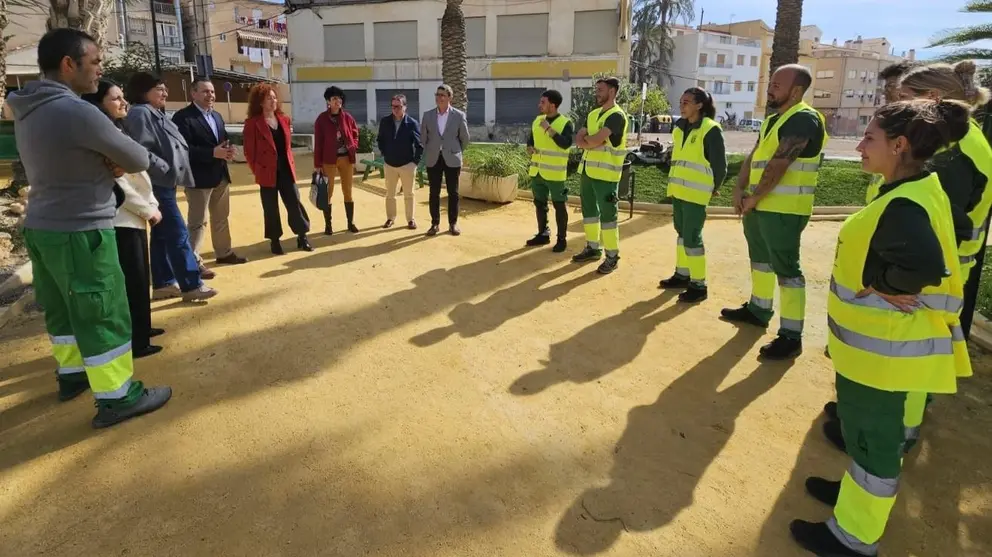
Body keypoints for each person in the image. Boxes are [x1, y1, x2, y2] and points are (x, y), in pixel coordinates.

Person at [789, 99, 974, 557]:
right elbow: (961, 225)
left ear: (899, 145)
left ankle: (852, 538)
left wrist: (882, 282)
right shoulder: (918, 188)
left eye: (868, 138)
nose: (858, 148)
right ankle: (854, 498)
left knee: (874, 446)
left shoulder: (905, 203)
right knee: (868, 440)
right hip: (884, 352)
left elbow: (924, 262)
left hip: (883, 357)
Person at [822, 60, 992, 452]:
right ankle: (878, 428)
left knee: (906, 365)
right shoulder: (953, 145)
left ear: (931, 100)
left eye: (906, 97)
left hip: (920, 286)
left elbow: (936, 230)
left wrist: (885, 282)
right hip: (924, 274)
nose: (898, 100)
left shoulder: (952, 153)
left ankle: (893, 437)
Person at [9, 28, 171, 428]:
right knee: (103, 312)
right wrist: (112, 158)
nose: (100, 70)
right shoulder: (77, 111)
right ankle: (118, 397)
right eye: (95, 61)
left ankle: (72, 375)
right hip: (82, 230)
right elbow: (134, 157)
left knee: (63, 312)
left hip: (42, 228)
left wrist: (104, 157)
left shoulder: (27, 107)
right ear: (69, 64)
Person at [720, 64, 826, 360]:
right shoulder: (772, 121)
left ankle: (791, 335)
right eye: (771, 83)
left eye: (777, 85)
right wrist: (739, 189)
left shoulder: (804, 119)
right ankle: (759, 309)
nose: (770, 89)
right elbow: (754, 157)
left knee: (787, 270)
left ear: (796, 91)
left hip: (784, 210)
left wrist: (754, 197)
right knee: (761, 261)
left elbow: (780, 163)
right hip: (759, 206)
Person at [82, 79, 165, 359]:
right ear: (99, 104)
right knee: (132, 281)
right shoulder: (102, 136)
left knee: (141, 277)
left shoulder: (116, 129)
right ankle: (136, 340)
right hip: (122, 218)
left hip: (134, 216)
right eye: (115, 98)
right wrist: (148, 209)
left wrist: (149, 204)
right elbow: (120, 185)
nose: (122, 102)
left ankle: (143, 328)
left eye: (122, 97)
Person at [124, 72, 217, 302]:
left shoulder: (154, 112)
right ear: (144, 91)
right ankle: (191, 284)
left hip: (164, 182)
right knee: (177, 233)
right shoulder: (140, 113)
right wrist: (163, 166)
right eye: (159, 89)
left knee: (162, 235)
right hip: (156, 182)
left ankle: (164, 282)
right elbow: (140, 149)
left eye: (165, 88)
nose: (165, 92)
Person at [172, 77, 248, 274]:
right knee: (198, 222)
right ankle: (194, 262)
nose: (210, 95)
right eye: (205, 91)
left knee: (221, 217)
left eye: (212, 92)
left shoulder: (217, 117)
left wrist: (228, 150)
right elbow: (182, 149)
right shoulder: (183, 118)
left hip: (220, 175)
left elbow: (221, 142)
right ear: (193, 93)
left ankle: (224, 252)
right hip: (198, 178)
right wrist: (211, 153)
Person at [658, 87, 727, 303]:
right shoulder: (679, 128)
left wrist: (714, 187)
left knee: (692, 237)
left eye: (687, 101)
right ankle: (682, 274)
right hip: (679, 191)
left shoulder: (711, 129)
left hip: (696, 194)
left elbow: (720, 166)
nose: (682, 105)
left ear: (700, 105)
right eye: (681, 101)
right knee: (682, 234)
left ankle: (699, 285)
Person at [243, 83, 312, 254]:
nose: (273, 101)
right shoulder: (253, 124)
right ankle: (275, 241)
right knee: (270, 206)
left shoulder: (284, 119)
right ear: (260, 102)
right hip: (267, 171)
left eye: (274, 97)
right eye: (269, 98)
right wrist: (258, 169)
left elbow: (287, 147)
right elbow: (249, 152)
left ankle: (302, 236)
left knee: (294, 203)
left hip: (286, 169)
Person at [572, 76, 629, 274]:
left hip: (606, 175)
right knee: (589, 212)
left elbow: (593, 139)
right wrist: (588, 141)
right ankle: (592, 248)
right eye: (596, 89)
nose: (597, 93)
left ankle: (612, 256)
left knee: (608, 216)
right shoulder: (594, 114)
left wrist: (588, 140)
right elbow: (580, 139)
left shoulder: (617, 116)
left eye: (601, 90)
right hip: (588, 171)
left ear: (612, 91)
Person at [525, 89, 573, 253]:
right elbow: (531, 139)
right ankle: (543, 234)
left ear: (553, 105)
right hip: (537, 171)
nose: (540, 105)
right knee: (540, 204)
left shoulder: (566, 123)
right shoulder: (537, 120)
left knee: (559, 206)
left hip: (555, 174)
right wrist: (529, 147)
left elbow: (566, 144)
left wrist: (549, 129)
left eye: (543, 102)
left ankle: (561, 239)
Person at [422, 84, 470, 236]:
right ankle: (434, 224)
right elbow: (423, 138)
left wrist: (456, 151)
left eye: (443, 95)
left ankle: (453, 223)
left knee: (453, 193)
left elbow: (465, 138)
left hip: (452, 158)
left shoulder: (459, 115)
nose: (439, 97)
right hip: (433, 157)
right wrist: (430, 149)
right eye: (437, 94)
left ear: (450, 97)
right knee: (433, 192)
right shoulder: (427, 115)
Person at [314, 86, 361, 235]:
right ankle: (328, 225)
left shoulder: (347, 117)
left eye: (339, 98)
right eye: (334, 98)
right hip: (329, 160)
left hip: (346, 159)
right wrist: (317, 164)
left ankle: (350, 222)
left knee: (348, 191)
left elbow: (355, 133)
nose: (337, 101)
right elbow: (319, 143)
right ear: (328, 101)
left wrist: (353, 145)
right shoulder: (321, 119)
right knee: (328, 193)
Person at [377, 93, 423, 229]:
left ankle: (410, 219)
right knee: (390, 194)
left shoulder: (412, 124)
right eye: (393, 106)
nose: (395, 109)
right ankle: (390, 218)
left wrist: (414, 163)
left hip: (407, 165)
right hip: (390, 164)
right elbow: (380, 140)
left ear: (405, 107)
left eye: (398, 106)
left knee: (409, 194)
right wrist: (385, 153)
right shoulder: (385, 122)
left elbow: (419, 144)